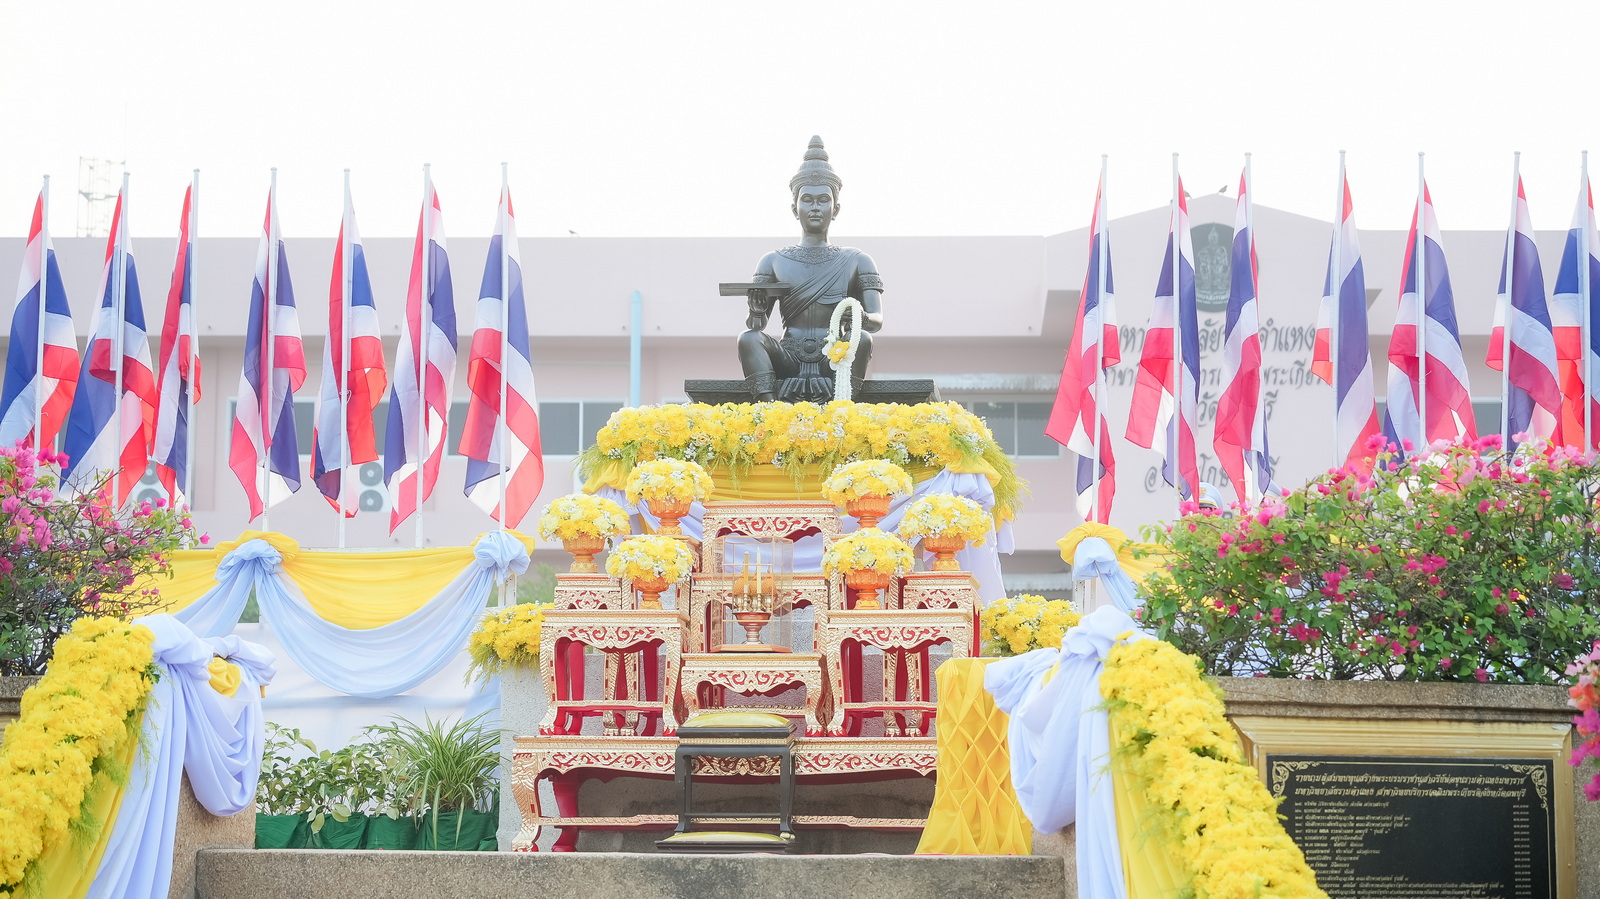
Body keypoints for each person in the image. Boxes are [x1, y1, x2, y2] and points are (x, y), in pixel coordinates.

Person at [738, 136, 884, 401]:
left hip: (834, 355)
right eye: (807, 200)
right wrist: (756, 311)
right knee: (748, 339)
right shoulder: (772, 261)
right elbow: (757, 325)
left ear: (835, 208)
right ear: (795, 208)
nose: (815, 207)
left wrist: (859, 316)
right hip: (789, 356)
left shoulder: (857, 260)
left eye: (822, 200)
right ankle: (769, 409)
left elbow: (876, 320)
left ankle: (842, 404)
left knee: (862, 338)